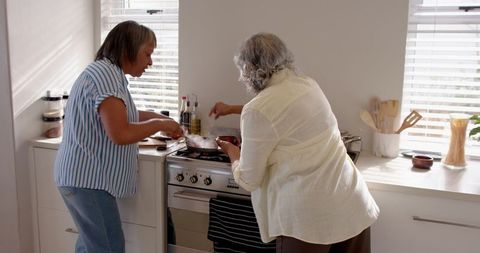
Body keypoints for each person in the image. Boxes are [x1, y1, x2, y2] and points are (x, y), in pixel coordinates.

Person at [210, 33, 379, 253]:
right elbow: (278, 113)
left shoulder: (258, 109)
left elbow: (249, 180)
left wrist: (234, 153)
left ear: (250, 69)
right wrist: (233, 108)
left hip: (309, 221)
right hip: (352, 206)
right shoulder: (308, 85)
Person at [54, 20, 183, 253]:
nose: (151, 62)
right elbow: (121, 133)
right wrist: (159, 123)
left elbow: (124, 114)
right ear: (128, 50)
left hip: (80, 178)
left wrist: (162, 120)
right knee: (108, 248)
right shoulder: (107, 75)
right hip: (87, 179)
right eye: (147, 54)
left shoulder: (108, 72)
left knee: (91, 245)